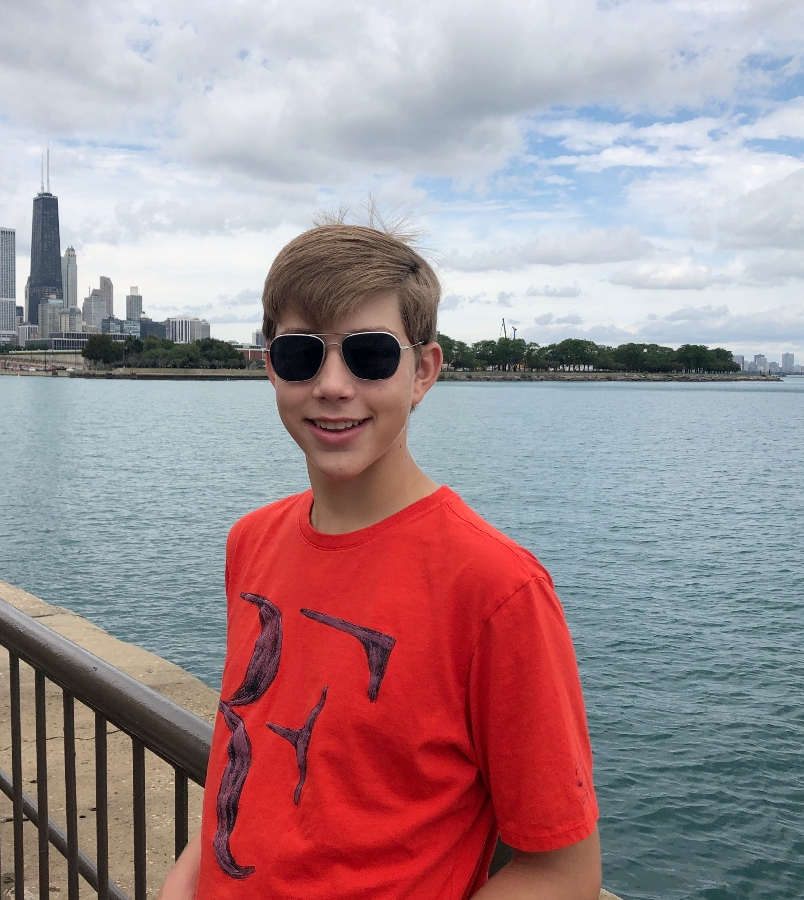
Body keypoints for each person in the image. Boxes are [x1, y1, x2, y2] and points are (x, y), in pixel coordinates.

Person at [158, 222, 600, 900]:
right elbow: (242, 767)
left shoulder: (497, 588)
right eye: (302, 355)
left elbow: (563, 871)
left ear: (422, 371)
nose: (334, 386)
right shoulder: (251, 540)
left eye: (369, 356)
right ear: (271, 365)